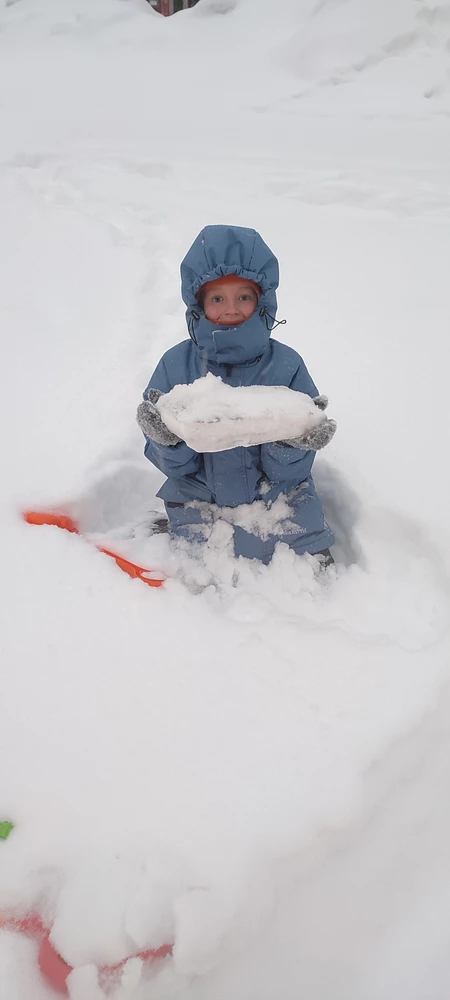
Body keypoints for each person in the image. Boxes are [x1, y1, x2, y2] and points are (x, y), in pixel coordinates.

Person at [137, 225, 336, 565]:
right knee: (195, 564)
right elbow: (176, 468)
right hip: (201, 496)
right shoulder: (176, 365)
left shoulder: (286, 364)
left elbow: (288, 474)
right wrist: (166, 439)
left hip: (276, 497)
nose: (231, 309)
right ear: (198, 304)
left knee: (306, 554)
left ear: (263, 300)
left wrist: (295, 442)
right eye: (217, 298)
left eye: (243, 297)